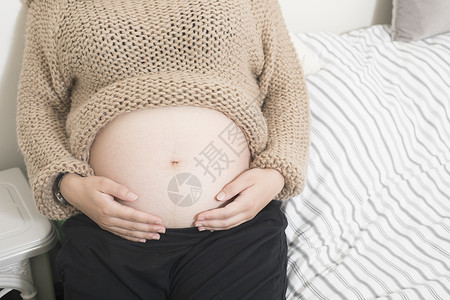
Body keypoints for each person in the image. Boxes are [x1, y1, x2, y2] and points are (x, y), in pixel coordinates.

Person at [16, 0, 310, 298]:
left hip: (235, 230)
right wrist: (68, 185)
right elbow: (38, 106)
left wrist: (276, 173)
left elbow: (286, 89)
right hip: (108, 234)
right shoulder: (56, 4)